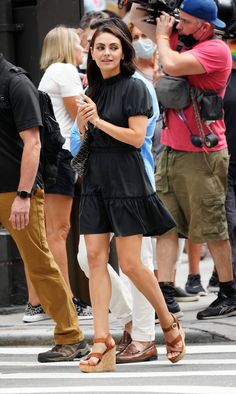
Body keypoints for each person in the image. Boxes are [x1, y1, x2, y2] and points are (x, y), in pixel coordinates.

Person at [75, 21, 185, 373]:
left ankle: (167, 323)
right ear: (91, 52)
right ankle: (102, 341)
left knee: (132, 264)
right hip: (95, 180)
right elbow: (84, 136)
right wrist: (83, 121)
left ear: (124, 51)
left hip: (126, 180)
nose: (106, 53)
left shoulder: (135, 87)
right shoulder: (92, 88)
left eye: (112, 47)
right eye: (99, 47)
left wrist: (99, 121)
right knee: (92, 257)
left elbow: (137, 138)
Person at [130, 0, 236, 320]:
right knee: (166, 224)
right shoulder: (184, 36)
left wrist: (163, 34)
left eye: (186, 22)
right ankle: (164, 289)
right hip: (173, 150)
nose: (180, 25)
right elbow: (137, 18)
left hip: (203, 153)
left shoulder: (214, 49)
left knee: (212, 226)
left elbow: (173, 65)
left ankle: (229, 291)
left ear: (205, 25)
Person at [0, 52, 89, 362]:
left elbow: (33, 143)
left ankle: (71, 337)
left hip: (16, 190)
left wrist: (24, 194)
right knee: (40, 262)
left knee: (40, 263)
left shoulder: (15, 82)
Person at [23, 25, 92, 323]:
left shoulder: (52, 72)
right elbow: (81, 119)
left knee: (44, 231)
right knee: (57, 231)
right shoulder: (65, 71)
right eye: (79, 43)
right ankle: (65, 300)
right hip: (62, 156)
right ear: (67, 46)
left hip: (51, 157)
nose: (83, 48)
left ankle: (36, 302)